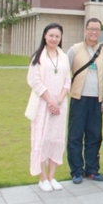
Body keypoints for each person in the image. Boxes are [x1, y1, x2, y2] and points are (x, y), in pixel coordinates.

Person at [27, 23, 71, 192]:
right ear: (45, 36)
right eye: (51, 35)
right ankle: (43, 178)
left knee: (56, 139)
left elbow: (67, 81)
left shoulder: (63, 57)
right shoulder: (38, 57)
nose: (54, 39)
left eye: (57, 36)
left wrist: (58, 101)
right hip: (42, 105)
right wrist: (50, 101)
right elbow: (34, 81)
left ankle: (52, 176)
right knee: (41, 139)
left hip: (60, 105)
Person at [67, 18, 103, 184]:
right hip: (79, 98)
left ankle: (92, 169)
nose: (94, 32)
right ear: (85, 30)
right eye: (91, 29)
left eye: (97, 29)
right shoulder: (74, 50)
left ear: (100, 32)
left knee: (94, 136)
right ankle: (76, 171)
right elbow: (64, 74)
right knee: (75, 135)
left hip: (97, 100)